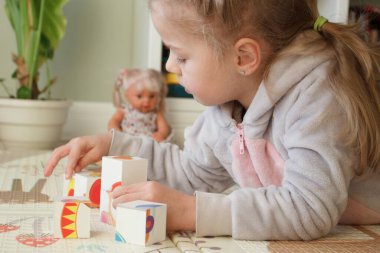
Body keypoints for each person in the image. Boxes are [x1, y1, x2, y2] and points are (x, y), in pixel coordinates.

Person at [44, 0, 380, 240]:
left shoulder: (318, 97)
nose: (170, 67)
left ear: (243, 57)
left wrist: (193, 212)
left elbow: (310, 209)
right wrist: (113, 145)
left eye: (181, 55)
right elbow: (190, 173)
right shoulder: (226, 107)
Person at [108, 68, 171, 142]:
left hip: (147, 144)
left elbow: (165, 128)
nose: (147, 101)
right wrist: (116, 131)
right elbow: (113, 121)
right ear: (127, 95)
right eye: (139, 96)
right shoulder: (124, 110)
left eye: (152, 96)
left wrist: (161, 134)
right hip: (127, 141)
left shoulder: (155, 113)